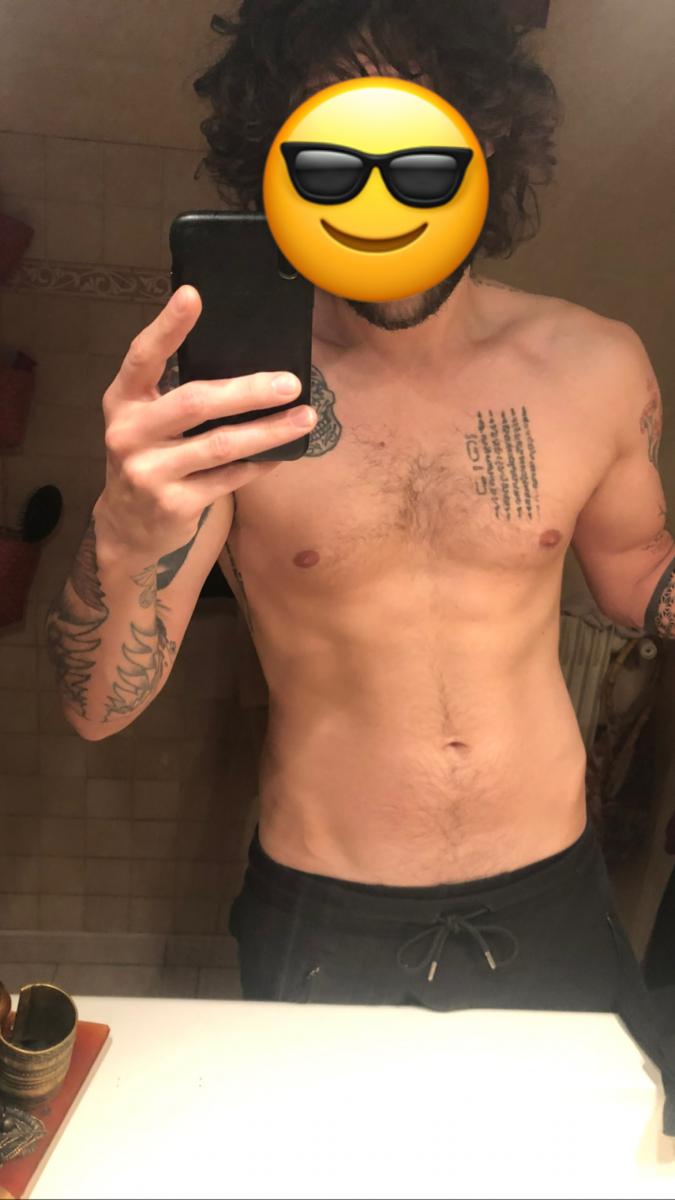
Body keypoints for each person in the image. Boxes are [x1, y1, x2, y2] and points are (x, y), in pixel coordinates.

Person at [45, 1, 675, 1132]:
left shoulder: (593, 364)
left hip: (554, 896)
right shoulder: (225, 400)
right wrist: (126, 532)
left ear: (484, 142)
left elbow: (636, 572)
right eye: (334, 157)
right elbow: (98, 709)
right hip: (327, 917)